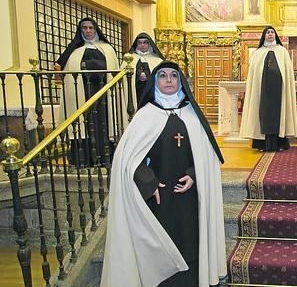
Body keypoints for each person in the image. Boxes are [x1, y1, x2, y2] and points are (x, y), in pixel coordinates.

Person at [101, 61, 226, 287]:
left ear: (180, 81)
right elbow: (128, 159)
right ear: (155, 82)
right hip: (158, 196)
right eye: (163, 76)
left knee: (190, 241)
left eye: (173, 76)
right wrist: (149, 183)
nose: (168, 80)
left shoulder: (192, 114)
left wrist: (193, 174)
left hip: (189, 196)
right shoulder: (145, 115)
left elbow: (207, 156)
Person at [56, 17, 119, 166]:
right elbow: (64, 69)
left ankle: (105, 158)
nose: (88, 31)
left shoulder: (107, 49)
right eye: (84, 28)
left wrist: (88, 66)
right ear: (80, 30)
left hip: (103, 97)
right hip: (81, 96)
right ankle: (82, 159)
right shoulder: (74, 51)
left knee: (103, 125)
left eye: (91, 28)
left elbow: (112, 72)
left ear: (96, 29)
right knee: (82, 125)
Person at [240, 26, 297, 152]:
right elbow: (254, 74)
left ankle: (280, 143)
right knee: (263, 115)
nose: (270, 34)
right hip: (262, 91)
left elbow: (287, 73)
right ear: (264, 36)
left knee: (279, 115)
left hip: (279, 90)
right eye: (268, 32)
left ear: (275, 35)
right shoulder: (258, 53)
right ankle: (261, 144)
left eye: (272, 32)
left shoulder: (282, 51)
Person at [127, 32, 164, 105]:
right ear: (137, 44)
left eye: (145, 42)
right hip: (136, 93)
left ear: (149, 44)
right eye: (140, 43)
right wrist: (138, 76)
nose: (142, 45)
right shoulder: (130, 59)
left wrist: (147, 75)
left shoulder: (157, 60)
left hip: (152, 93)